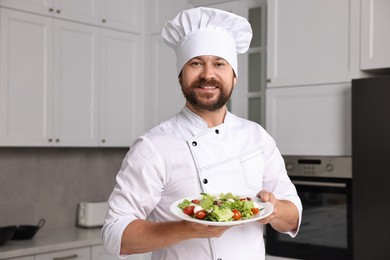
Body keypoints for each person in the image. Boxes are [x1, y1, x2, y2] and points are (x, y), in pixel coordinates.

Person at [102, 6, 302, 260]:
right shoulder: (153, 146)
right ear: (180, 76)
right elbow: (113, 234)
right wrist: (184, 229)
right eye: (196, 63)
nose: (208, 74)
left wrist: (273, 210)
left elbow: (292, 214)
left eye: (219, 64)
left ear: (234, 76)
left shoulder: (257, 137)